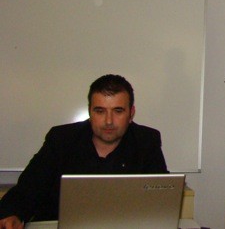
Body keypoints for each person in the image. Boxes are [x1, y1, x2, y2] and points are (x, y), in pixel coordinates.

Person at [0, 74, 168, 229]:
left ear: (131, 113)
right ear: (90, 112)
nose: (109, 121)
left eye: (118, 111)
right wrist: (12, 214)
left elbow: (162, 199)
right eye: (100, 111)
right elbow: (27, 190)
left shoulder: (146, 142)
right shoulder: (61, 140)